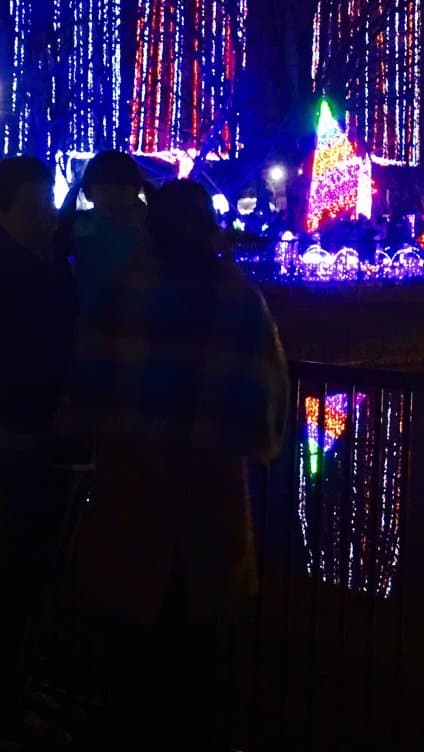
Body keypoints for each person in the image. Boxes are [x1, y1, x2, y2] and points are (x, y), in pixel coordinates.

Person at [70, 179, 288, 751]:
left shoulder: (121, 292)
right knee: (200, 657)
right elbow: (265, 407)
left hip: (131, 482)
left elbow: (87, 389)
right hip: (207, 489)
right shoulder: (238, 299)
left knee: (131, 651)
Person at [0, 157, 76, 748]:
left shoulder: (45, 265)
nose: (49, 212)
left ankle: (22, 686)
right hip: (19, 442)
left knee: (26, 578)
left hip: (35, 439)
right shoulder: (25, 274)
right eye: (38, 203)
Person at [72, 151, 148, 315]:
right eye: (106, 188)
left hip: (128, 315)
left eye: (120, 188)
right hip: (93, 315)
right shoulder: (79, 224)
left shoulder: (79, 224)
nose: (113, 194)